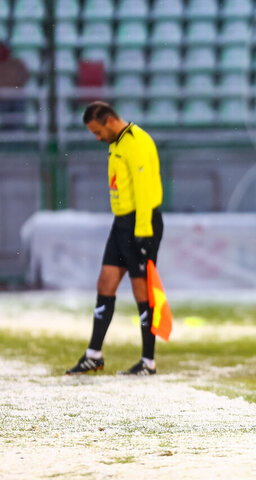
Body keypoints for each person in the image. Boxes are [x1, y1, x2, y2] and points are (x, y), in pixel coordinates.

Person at [65, 101, 164, 376]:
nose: (97, 138)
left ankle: (148, 362)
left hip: (140, 224)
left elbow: (144, 192)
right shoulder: (117, 143)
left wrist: (143, 234)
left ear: (109, 121)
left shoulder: (137, 142)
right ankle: (94, 355)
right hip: (121, 223)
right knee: (105, 283)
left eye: (97, 132)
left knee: (141, 291)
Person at [0, 42, 30, 130]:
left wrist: (17, 85)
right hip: (1, 97)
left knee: (18, 110)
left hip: (16, 95)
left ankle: (18, 132)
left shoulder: (17, 63)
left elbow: (25, 75)